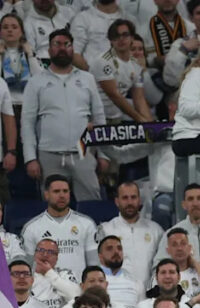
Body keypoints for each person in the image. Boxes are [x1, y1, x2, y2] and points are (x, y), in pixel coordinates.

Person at [20, 30, 105, 200]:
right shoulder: (36, 81)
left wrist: (103, 154)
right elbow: (27, 122)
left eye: (67, 44)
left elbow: (99, 117)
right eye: (57, 44)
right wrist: (30, 158)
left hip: (83, 152)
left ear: (72, 48)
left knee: (92, 204)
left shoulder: (87, 78)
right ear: (49, 50)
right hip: (49, 154)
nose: (62, 49)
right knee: (53, 206)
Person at [21, 175, 98, 280]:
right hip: (45, 291)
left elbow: (94, 264)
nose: (62, 195)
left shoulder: (87, 224)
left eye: (65, 191)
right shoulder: (31, 228)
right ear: (46, 195)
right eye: (56, 191)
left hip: (78, 290)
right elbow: (28, 267)